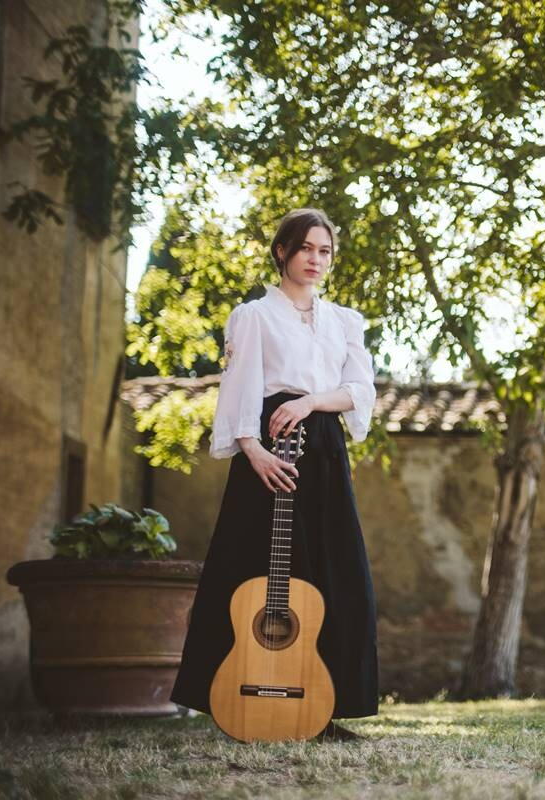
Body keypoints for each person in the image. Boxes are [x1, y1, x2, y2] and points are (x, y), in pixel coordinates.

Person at [169, 208, 379, 741]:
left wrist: (310, 401)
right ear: (283, 251)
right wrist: (252, 451)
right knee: (252, 570)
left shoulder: (345, 322)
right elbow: (240, 388)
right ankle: (234, 696)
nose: (315, 259)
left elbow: (359, 392)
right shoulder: (254, 315)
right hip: (267, 450)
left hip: (324, 448)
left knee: (337, 573)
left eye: (324, 251)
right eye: (306, 248)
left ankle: (325, 709)